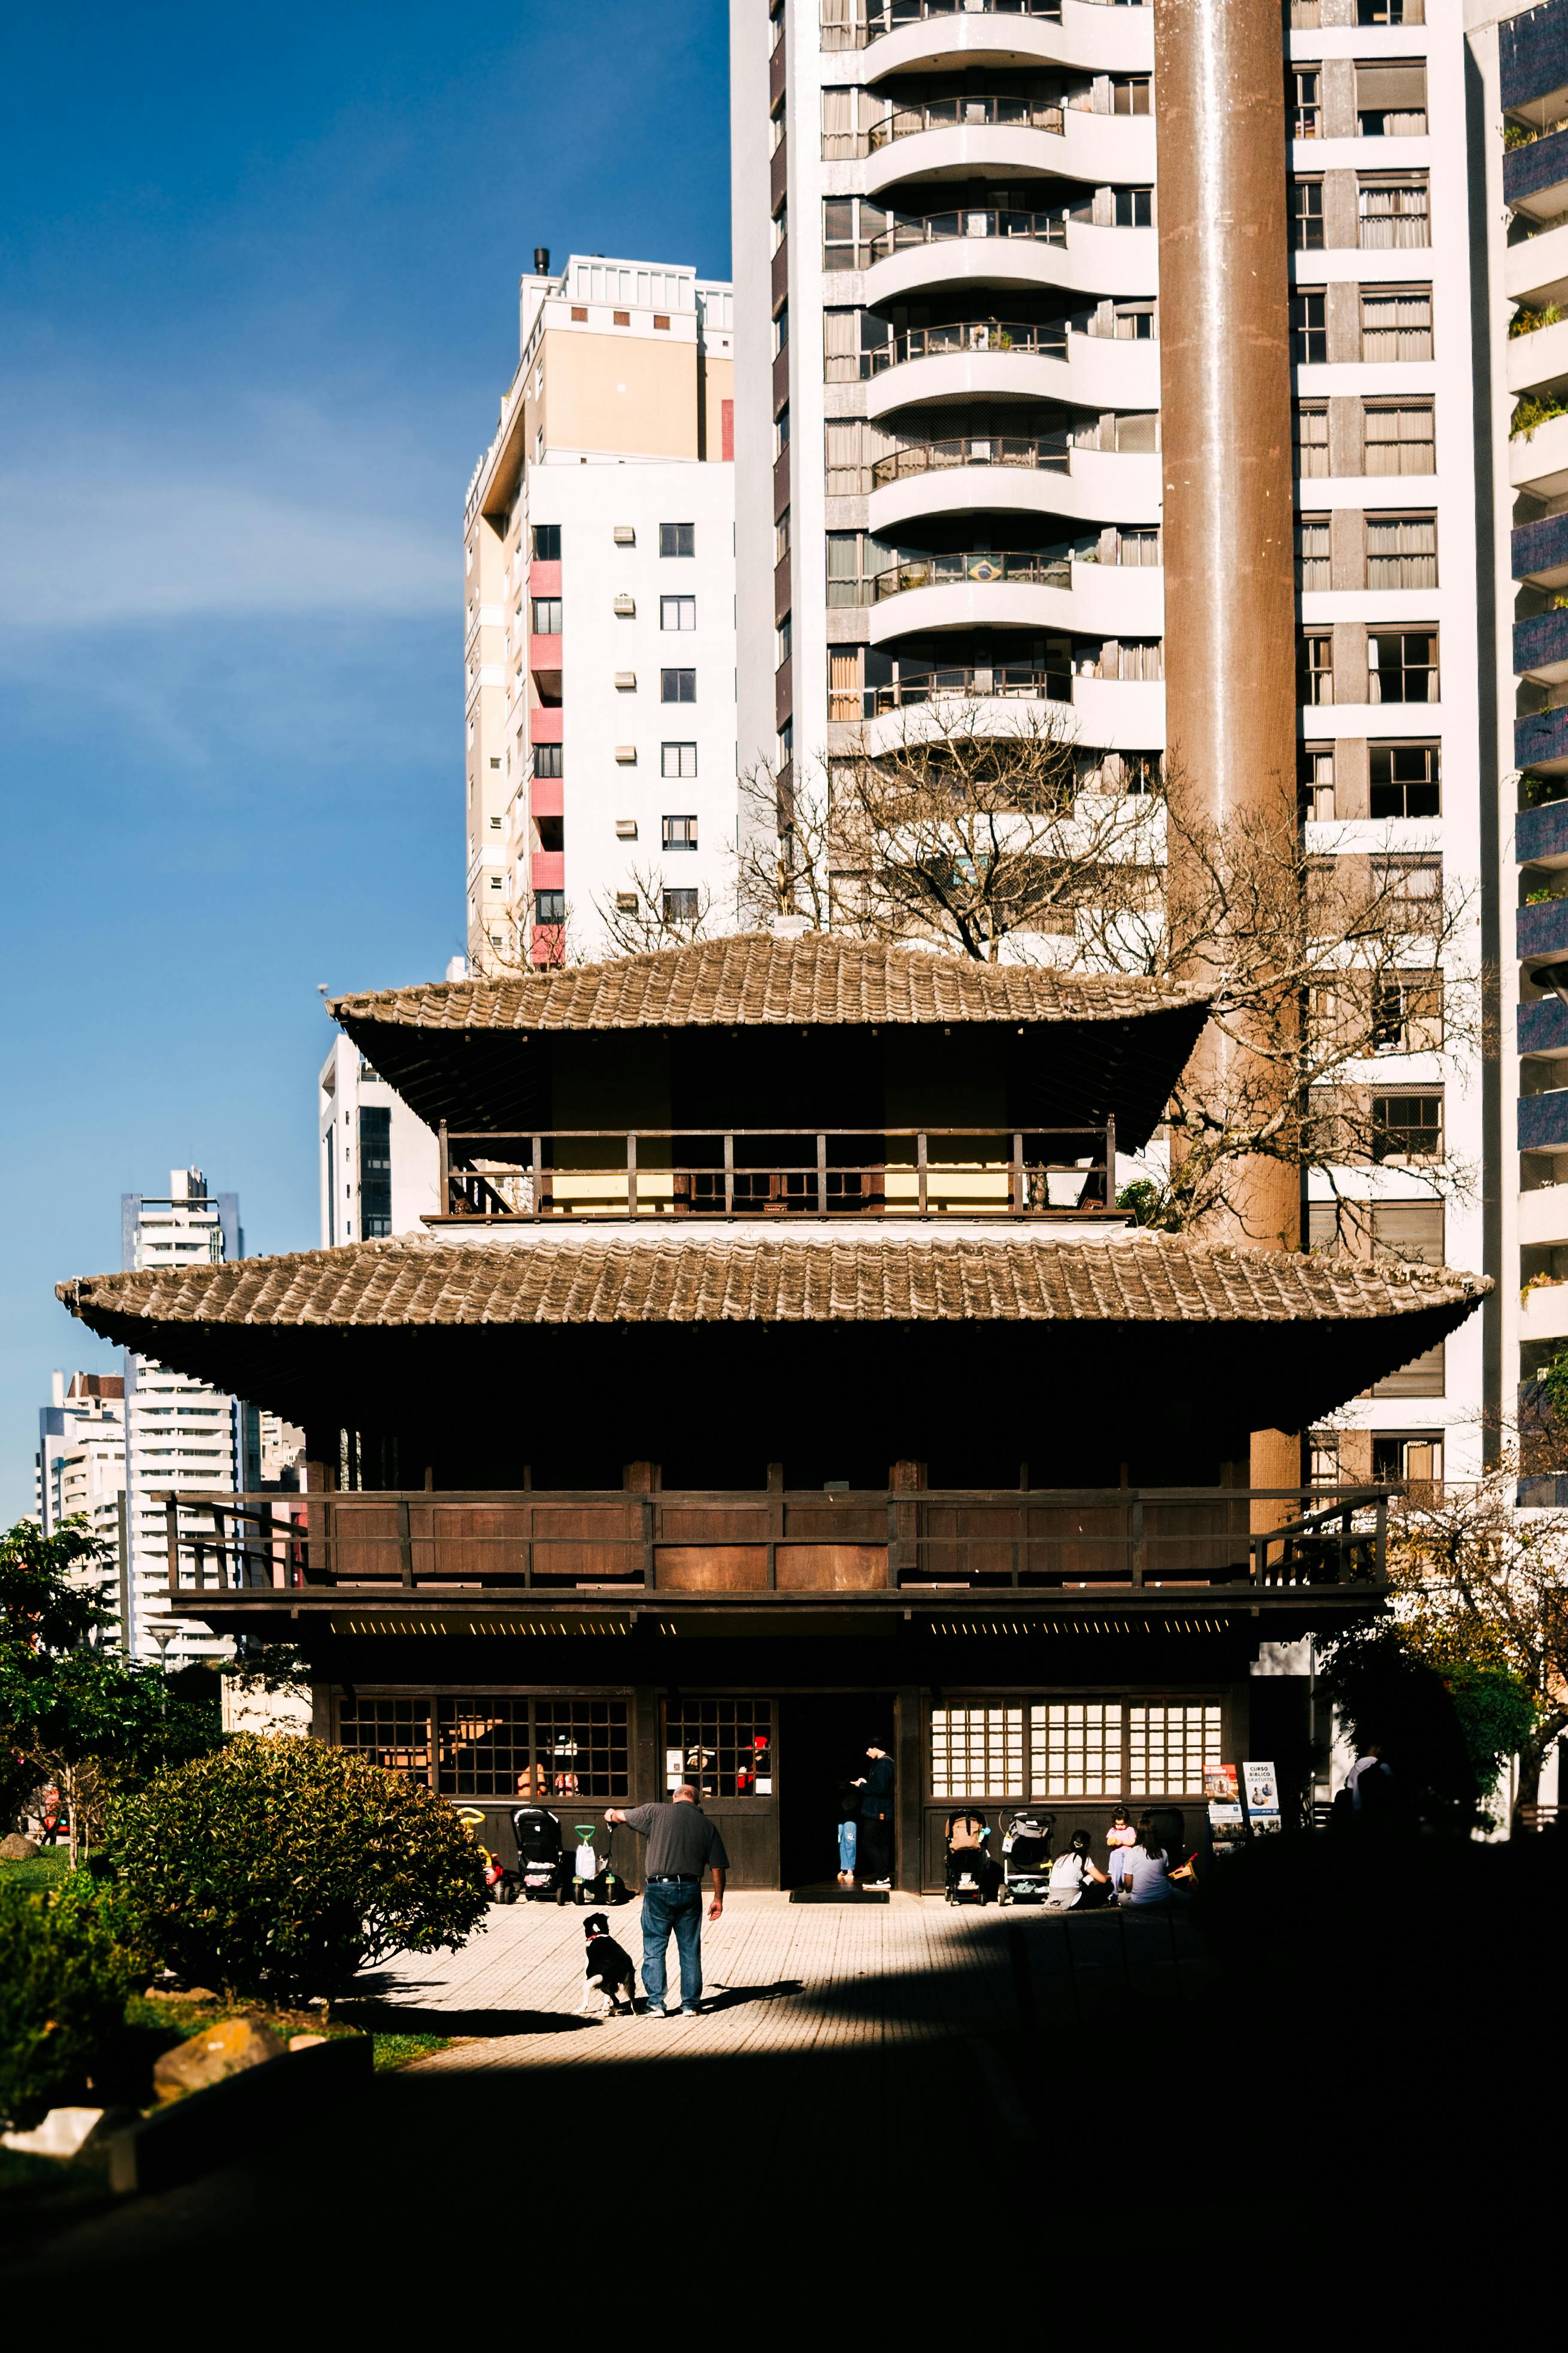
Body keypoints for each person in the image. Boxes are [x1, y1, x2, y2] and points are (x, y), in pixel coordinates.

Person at [604, 1785, 728, 2017]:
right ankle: (690, 2005)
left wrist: (610, 1814)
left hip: (659, 1889)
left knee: (654, 1947)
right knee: (690, 1949)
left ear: (675, 1799)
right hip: (691, 1889)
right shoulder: (707, 1825)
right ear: (697, 1803)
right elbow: (718, 1866)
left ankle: (656, 2004)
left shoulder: (656, 1812)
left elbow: (621, 1816)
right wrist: (718, 1898)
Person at [854, 1745, 895, 1888]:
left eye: (868, 1750)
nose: (867, 1753)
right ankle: (883, 1877)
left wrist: (862, 1786)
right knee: (882, 1843)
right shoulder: (889, 1761)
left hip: (877, 1810)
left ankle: (882, 1876)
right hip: (883, 1810)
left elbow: (881, 1789)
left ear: (875, 1748)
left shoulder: (883, 1764)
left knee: (869, 1842)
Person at [1109, 1818, 1172, 1905]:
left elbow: (1128, 1885)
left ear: (1137, 1834)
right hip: (1165, 1897)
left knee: (1120, 1897)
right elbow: (1165, 1875)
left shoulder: (1132, 1852)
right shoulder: (1163, 1852)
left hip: (1140, 1902)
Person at [1044, 1829, 1109, 1911]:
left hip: (1054, 1898)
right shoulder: (1083, 1858)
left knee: (1086, 1881)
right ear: (1087, 1845)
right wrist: (1110, 1877)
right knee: (1108, 1886)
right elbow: (1103, 1880)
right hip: (1072, 1902)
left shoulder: (1061, 1856)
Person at [835, 1776, 860, 1885]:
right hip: (841, 1816)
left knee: (850, 1841)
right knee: (841, 1842)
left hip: (851, 1816)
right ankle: (845, 1867)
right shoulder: (837, 1789)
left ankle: (850, 1869)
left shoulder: (851, 1786)